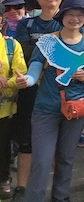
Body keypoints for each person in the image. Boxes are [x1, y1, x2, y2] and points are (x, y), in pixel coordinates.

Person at [16, 0, 84, 202]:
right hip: (46, 108)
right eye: (70, 14)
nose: (75, 19)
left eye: (80, 15)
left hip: (75, 109)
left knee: (66, 158)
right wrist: (28, 79)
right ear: (62, 17)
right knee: (42, 161)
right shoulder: (48, 41)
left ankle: (61, 197)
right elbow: (35, 67)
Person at [12, 0, 73, 198]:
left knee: (61, 147)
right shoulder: (26, 23)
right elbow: (25, 54)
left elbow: (72, 56)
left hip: (61, 91)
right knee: (26, 140)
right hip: (30, 91)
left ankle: (58, 192)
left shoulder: (68, 21)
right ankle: (22, 187)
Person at [0, 13, 25, 199]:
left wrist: (6, 82)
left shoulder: (11, 46)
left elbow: (20, 76)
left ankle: (4, 179)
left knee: (3, 147)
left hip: (5, 110)